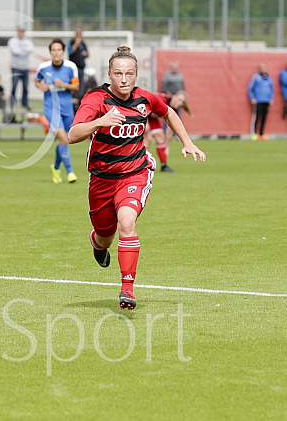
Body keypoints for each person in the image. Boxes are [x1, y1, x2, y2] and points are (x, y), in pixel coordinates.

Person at [68, 46, 205, 310]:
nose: (124, 79)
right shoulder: (96, 99)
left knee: (127, 221)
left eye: (129, 73)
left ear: (136, 75)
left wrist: (186, 141)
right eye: (118, 73)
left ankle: (127, 290)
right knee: (105, 235)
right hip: (101, 179)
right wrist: (100, 122)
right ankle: (98, 244)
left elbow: (168, 112)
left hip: (135, 173)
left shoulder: (145, 98)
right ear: (109, 74)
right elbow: (73, 134)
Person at [36, 39, 79, 184]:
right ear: (50, 52)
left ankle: (55, 167)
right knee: (62, 138)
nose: (56, 53)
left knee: (64, 140)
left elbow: (76, 87)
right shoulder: (43, 67)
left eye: (59, 50)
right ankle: (70, 172)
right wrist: (41, 86)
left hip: (67, 108)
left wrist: (65, 85)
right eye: (53, 50)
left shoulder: (70, 66)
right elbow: (37, 80)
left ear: (63, 51)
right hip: (51, 108)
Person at [144, 90, 192, 172]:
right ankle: (142, 165)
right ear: (174, 96)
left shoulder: (174, 109)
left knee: (161, 137)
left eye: (182, 102)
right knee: (147, 138)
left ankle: (164, 166)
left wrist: (167, 147)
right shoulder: (162, 100)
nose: (180, 103)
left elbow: (170, 130)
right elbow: (144, 106)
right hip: (143, 113)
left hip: (152, 118)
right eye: (179, 99)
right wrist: (146, 123)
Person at [8, 27, 35, 113]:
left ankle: (25, 104)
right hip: (16, 67)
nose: (21, 34)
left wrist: (21, 51)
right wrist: (24, 51)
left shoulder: (28, 41)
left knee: (25, 87)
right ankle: (12, 104)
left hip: (25, 68)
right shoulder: (12, 41)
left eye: (22, 32)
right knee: (14, 86)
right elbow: (15, 51)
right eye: (19, 32)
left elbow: (31, 49)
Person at [248, 63, 274, 141]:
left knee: (264, 118)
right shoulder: (256, 77)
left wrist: (271, 98)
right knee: (257, 117)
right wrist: (252, 98)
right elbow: (250, 89)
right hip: (258, 100)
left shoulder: (269, 78)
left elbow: (271, 90)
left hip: (266, 100)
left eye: (264, 68)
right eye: (262, 68)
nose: (263, 70)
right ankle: (254, 134)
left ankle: (261, 134)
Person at [68, 29, 89, 100]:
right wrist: (76, 44)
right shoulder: (71, 42)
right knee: (74, 83)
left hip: (81, 67)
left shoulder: (83, 44)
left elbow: (87, 54)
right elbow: (70, 52)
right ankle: (74, 98)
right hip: (74, 67)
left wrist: (85, 54)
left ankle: (79, 98)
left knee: (81, 84)